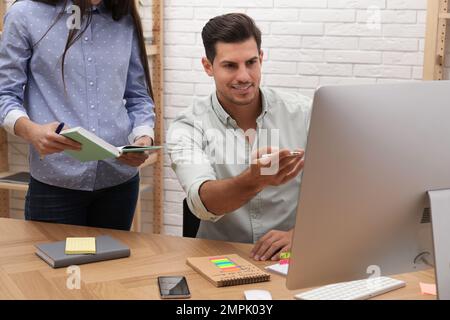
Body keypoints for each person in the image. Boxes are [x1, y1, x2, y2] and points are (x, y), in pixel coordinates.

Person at [167, 13, 312, 261]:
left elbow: (343, 189)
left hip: (290, 256)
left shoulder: (305, 113)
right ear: (208, 66)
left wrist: (300, 236)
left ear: (261, 59)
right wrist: (254, 180)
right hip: (220, 257)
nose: (244, 76)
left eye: (251, 62)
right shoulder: (188, 126)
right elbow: (201, 201)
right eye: (230, 66)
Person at [0, 0, 155, 230]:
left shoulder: (123, 18)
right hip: (55, 181)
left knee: (111, 266)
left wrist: (143, 138)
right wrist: (32, 131)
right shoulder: (24, 15)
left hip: (120, 182)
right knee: (57, 265)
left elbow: (138, 96)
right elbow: (5, 94)